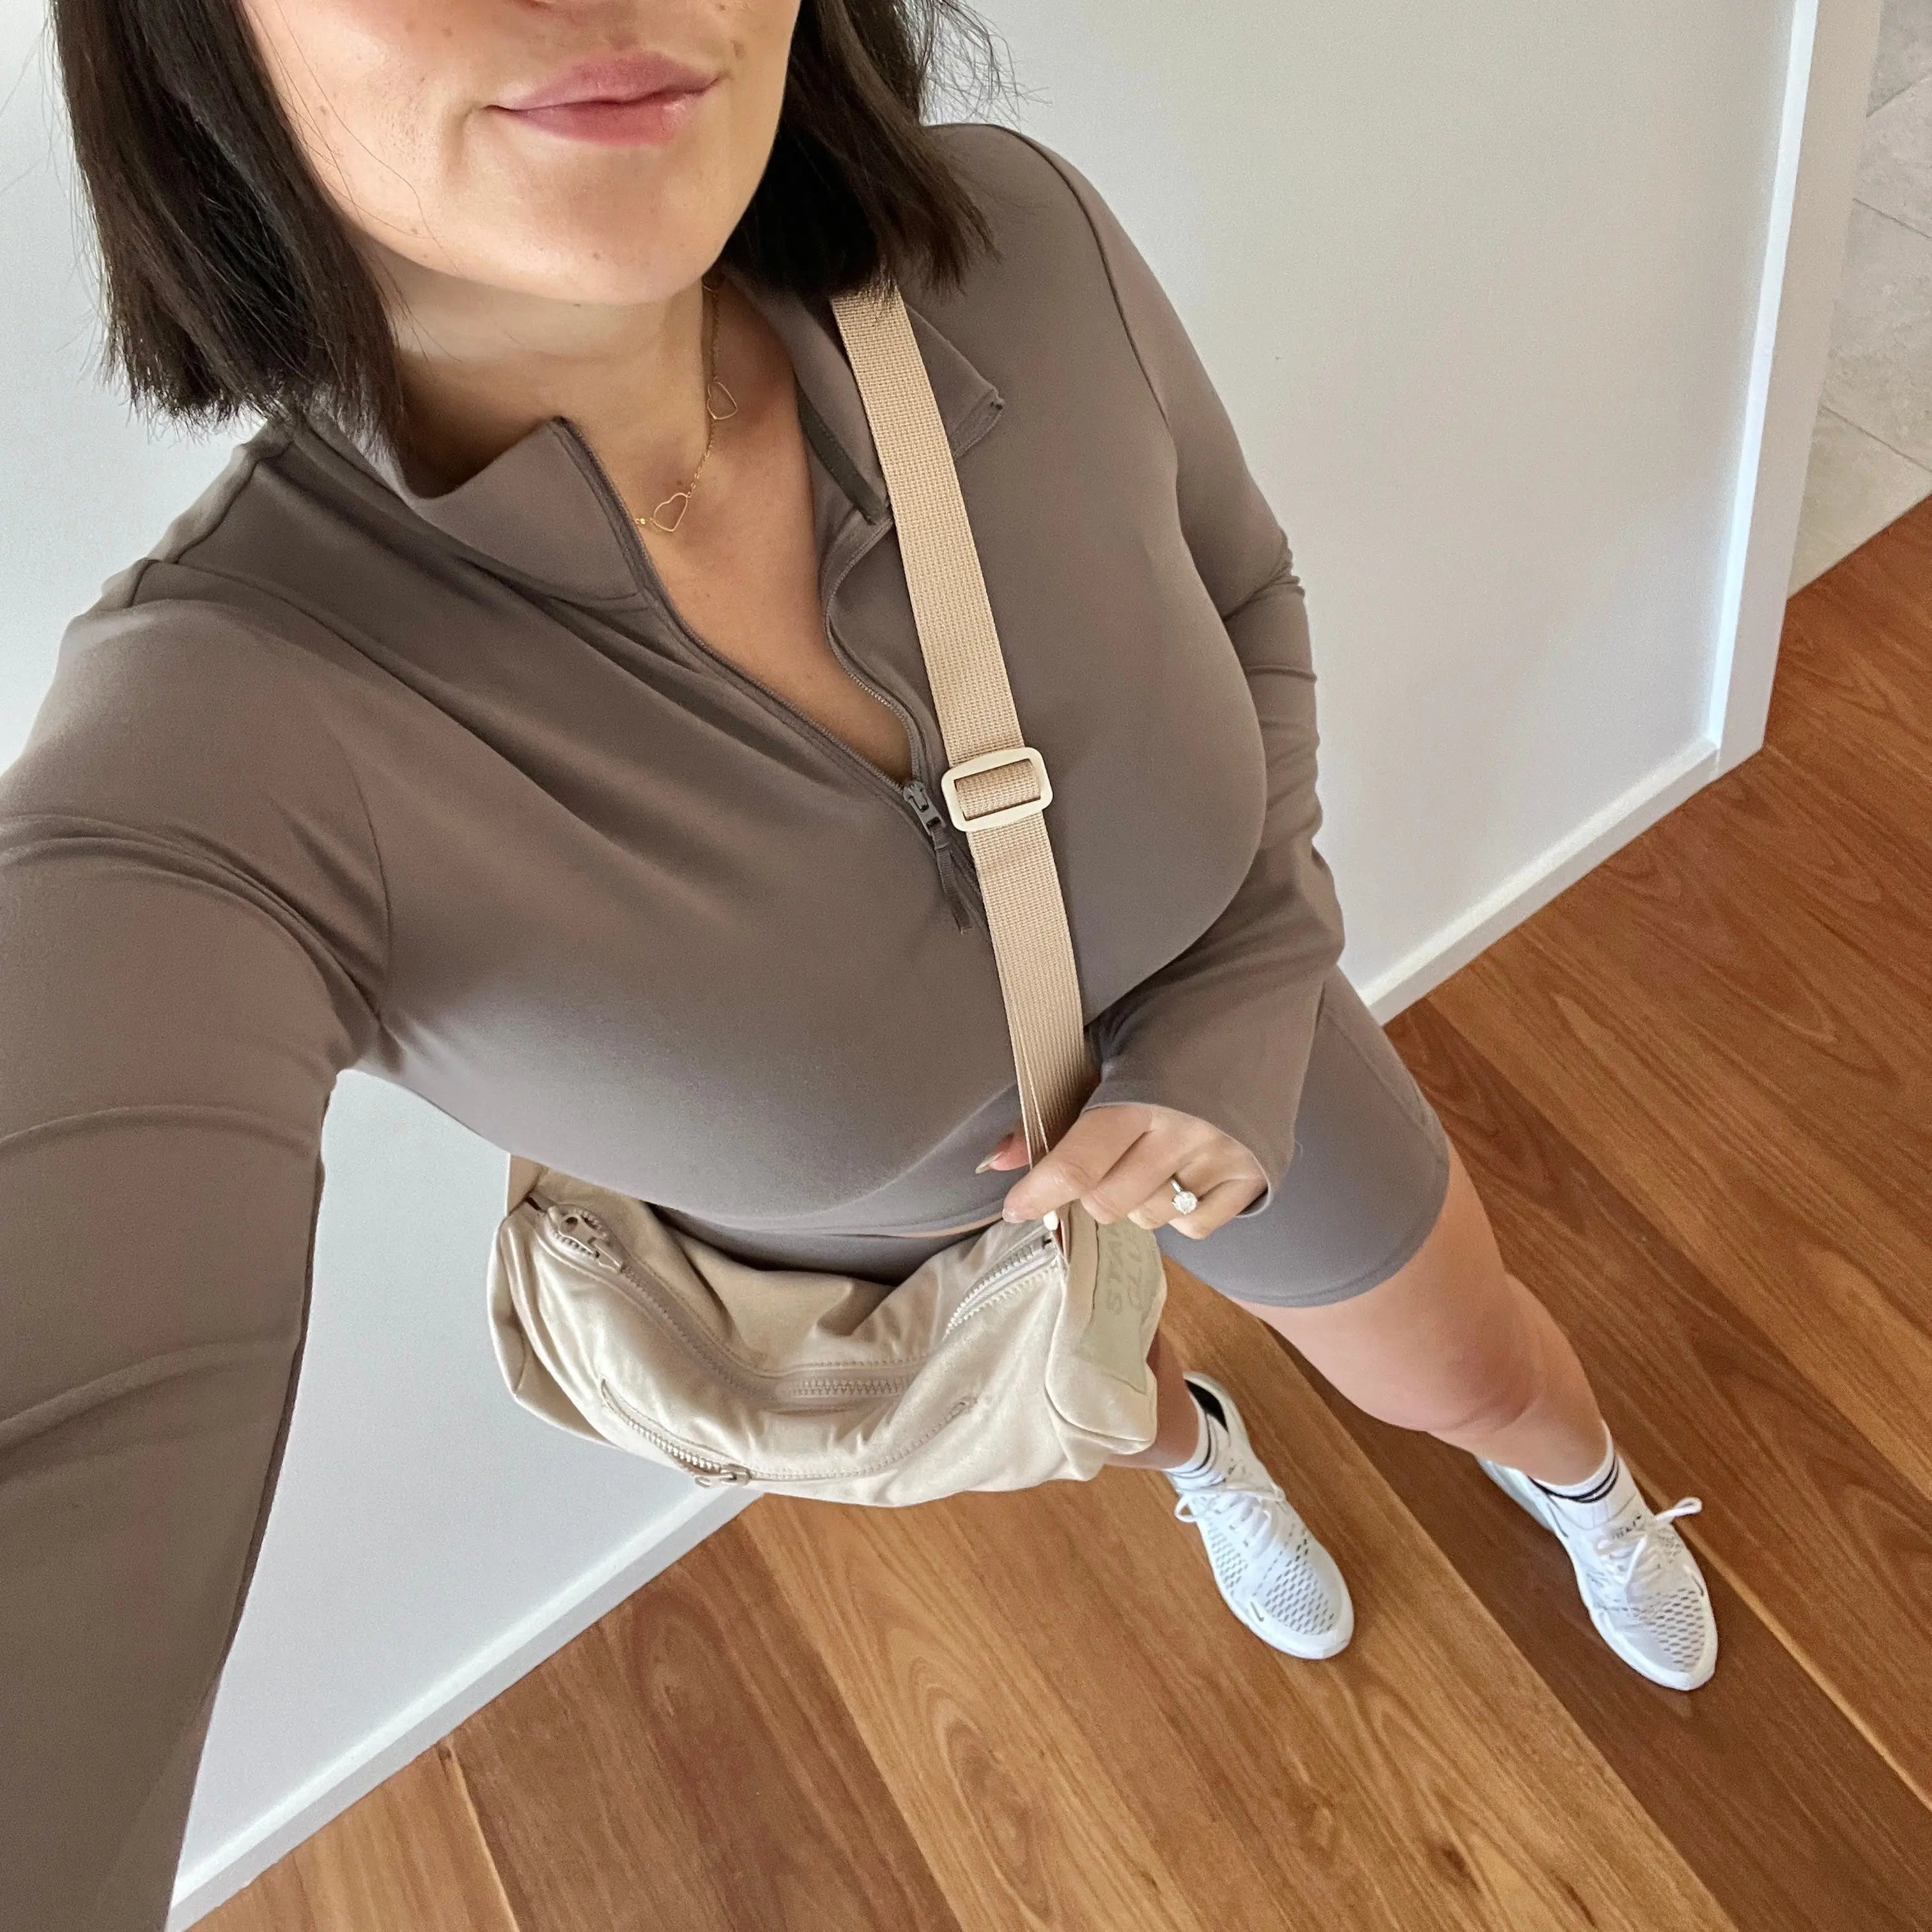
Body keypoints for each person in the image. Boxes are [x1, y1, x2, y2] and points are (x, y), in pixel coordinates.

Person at [2, 0, 1719, 1922]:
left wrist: (1250, 997)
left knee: (1475, 1371)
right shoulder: (219, 739)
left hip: (1248, 1074)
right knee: (1103, 1405)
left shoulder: (1016, 250)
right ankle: (1202, 1459)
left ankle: (1587, 1488)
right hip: (889, 1287)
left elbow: (1246, 588)